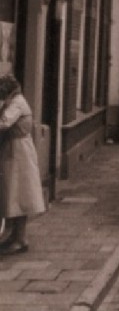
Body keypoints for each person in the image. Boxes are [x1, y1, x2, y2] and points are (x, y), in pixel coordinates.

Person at [0, 74, 45, 255]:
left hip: (19, 152)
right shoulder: (15, 100)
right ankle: (15, 237)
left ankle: (20, 239)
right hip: (15, 150)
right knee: (15, 194)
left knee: (19, 194)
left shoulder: (17, 102)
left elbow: (3, 123)